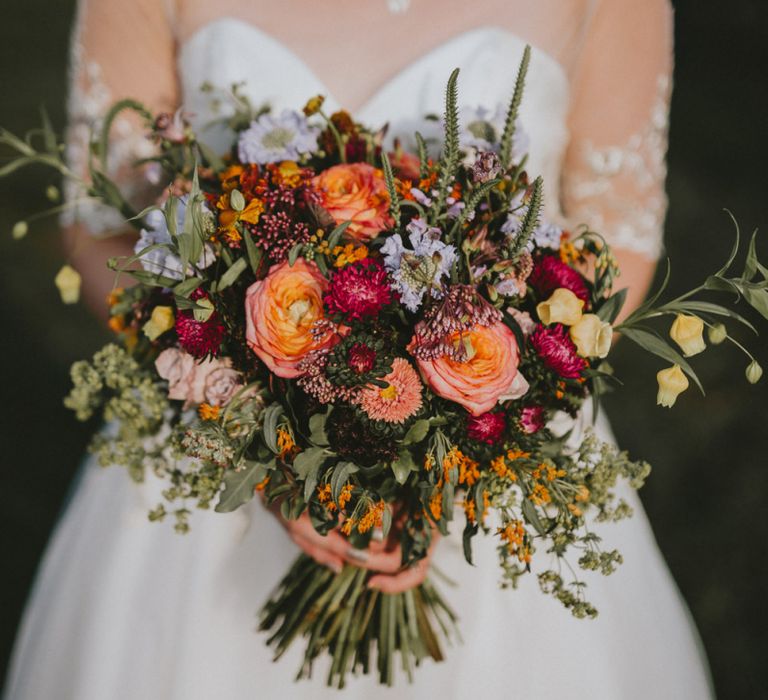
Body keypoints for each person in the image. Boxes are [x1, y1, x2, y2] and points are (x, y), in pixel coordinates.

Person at [4, 0, 714, 697]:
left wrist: (449, 444)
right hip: (218, 444)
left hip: (489, 458)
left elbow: (616, 241)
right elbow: (102, 230)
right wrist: (266, 435)